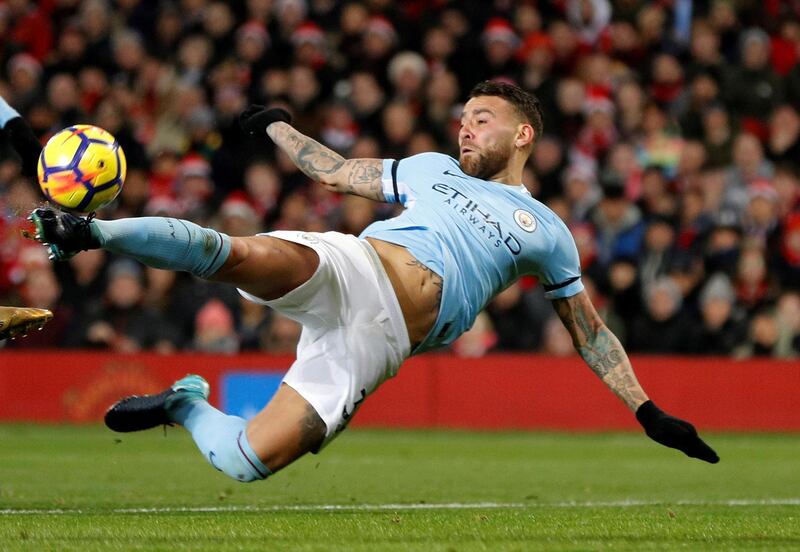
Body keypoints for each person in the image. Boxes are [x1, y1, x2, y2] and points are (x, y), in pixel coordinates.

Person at [29, 82, 718, 484]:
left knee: (246, 463)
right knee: (235, 252)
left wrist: (646, 411)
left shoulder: (547, 231)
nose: (467, 127)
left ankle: (184, 406)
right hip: (351, 267)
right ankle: (94, 233)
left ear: (525, 134)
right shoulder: (429, 168)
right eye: (464, 118)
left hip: (376, 346)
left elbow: (590, 334)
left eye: (483, 119)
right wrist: (277, 127)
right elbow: (336, 172)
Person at [0, 96, 53, 341]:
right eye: (16, 192)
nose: (20, 196)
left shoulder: (40, 224)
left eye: (25, 191)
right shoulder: (3, 223)